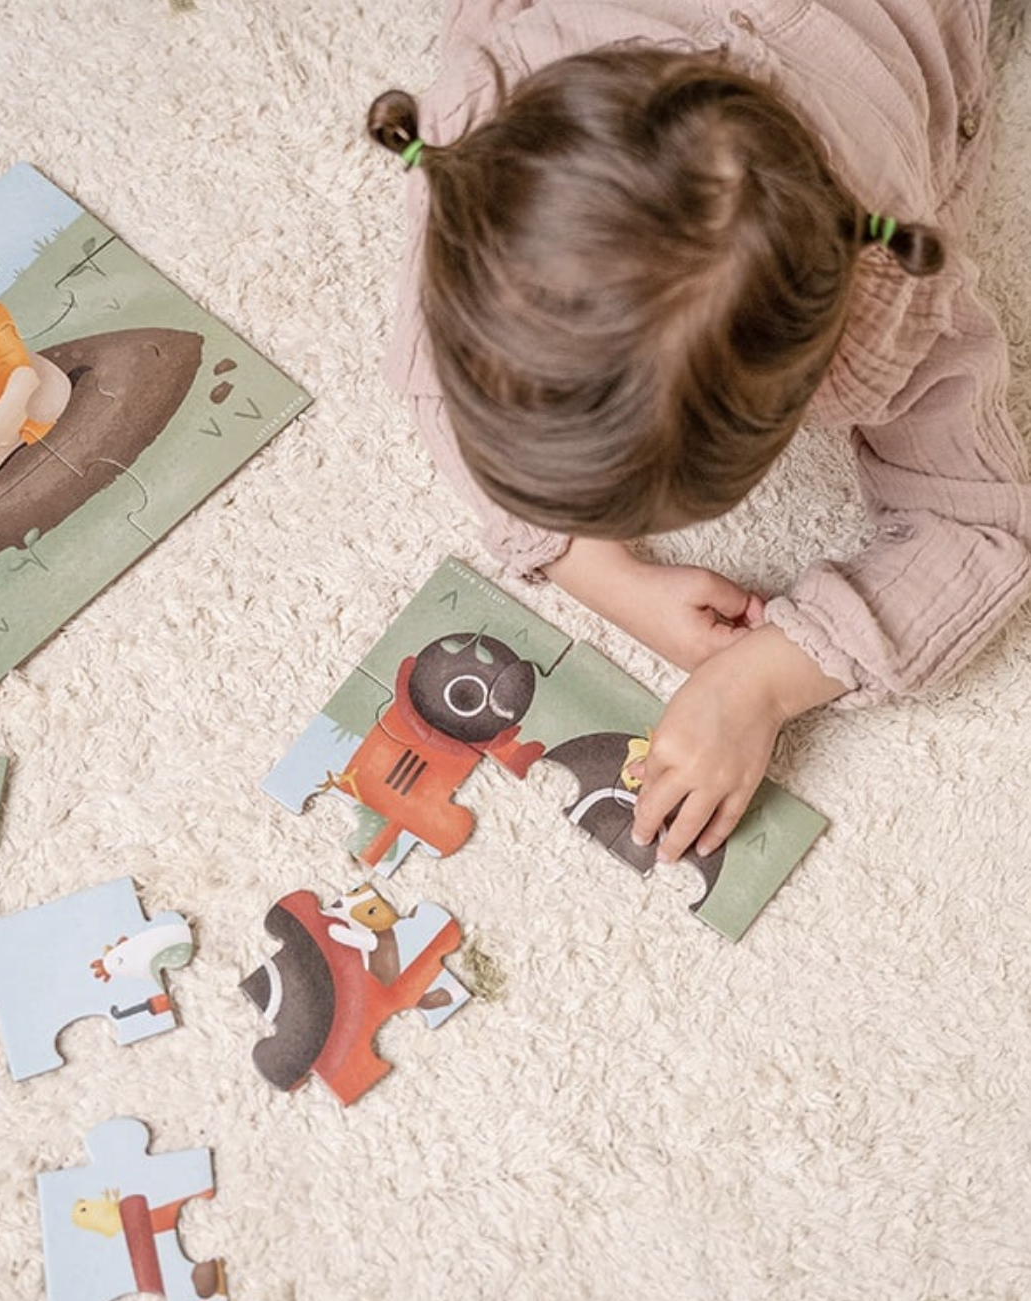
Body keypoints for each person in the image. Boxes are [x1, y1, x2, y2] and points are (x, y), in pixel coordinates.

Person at [369, 0, 1031, 864]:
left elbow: (984, 526)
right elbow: (432, 363)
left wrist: (770, 678)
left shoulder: (886, 302)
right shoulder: (478, 137)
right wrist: (599, 573)